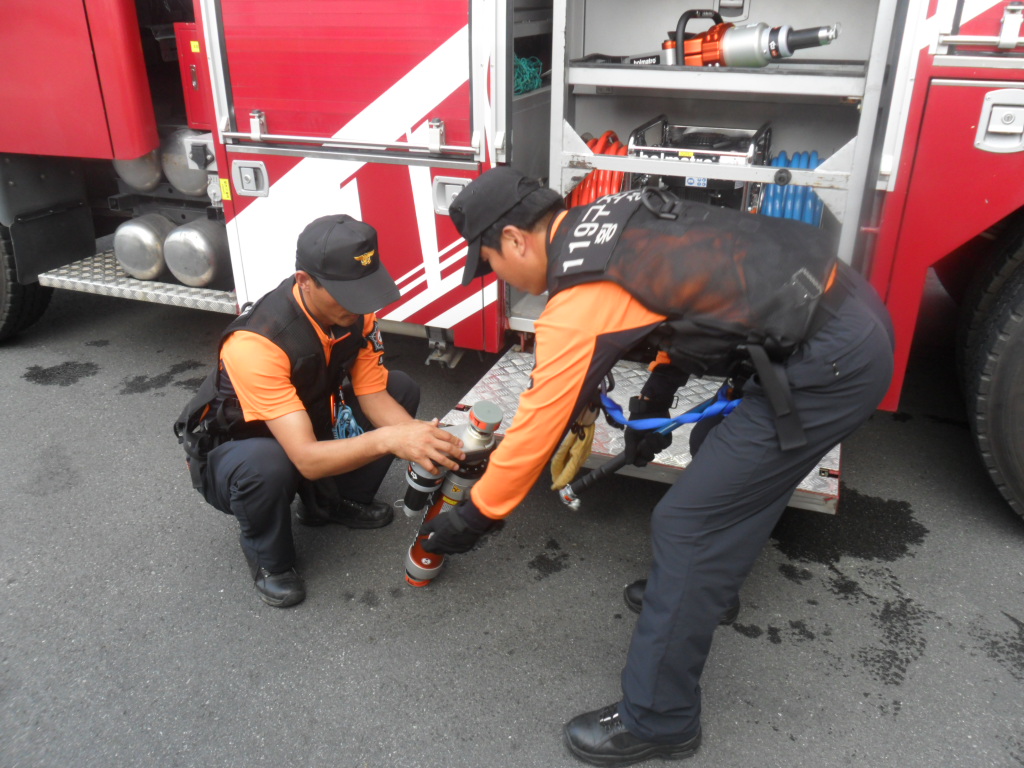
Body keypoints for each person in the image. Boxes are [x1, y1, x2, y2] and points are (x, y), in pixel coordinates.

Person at [417, 167, 895, 766]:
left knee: (687, 526)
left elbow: (537, 426)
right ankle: (701, 594)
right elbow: (698, 288)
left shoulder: (578, 299)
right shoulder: (611, 217)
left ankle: (660, 718)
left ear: (514, 240)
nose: (497, 277)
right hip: (841, 314)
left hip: (829, 361)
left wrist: (475, 518)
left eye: (490, 263)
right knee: (720, 455)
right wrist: (656, 396)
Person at [175, 214, 464, 608]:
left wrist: (421, 442)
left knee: (400, 389)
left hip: (302, 422)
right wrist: (391, 439)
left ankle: (330, 504)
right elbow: (307, 459)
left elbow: (374, 396)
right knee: (267, 463)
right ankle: (271, 563)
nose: (359, 305)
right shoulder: (256, 343)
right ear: (304, 281)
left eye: (365, 289)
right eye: (347, 294)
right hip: (239, 453)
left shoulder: (357, 313)